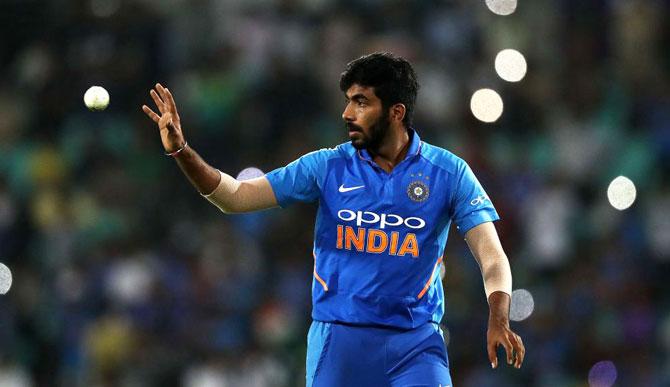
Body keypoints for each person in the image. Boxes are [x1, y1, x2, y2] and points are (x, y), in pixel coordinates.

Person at [142, 52, 524, 386]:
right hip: (340, 341)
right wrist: (182, 152)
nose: (346, 113)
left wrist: (499, 316)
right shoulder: (327, 166)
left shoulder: (448, 172)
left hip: (416, 344)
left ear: (396, 112)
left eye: (361, 102)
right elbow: (235, 198)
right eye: (347, 101)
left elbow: (492, 256)